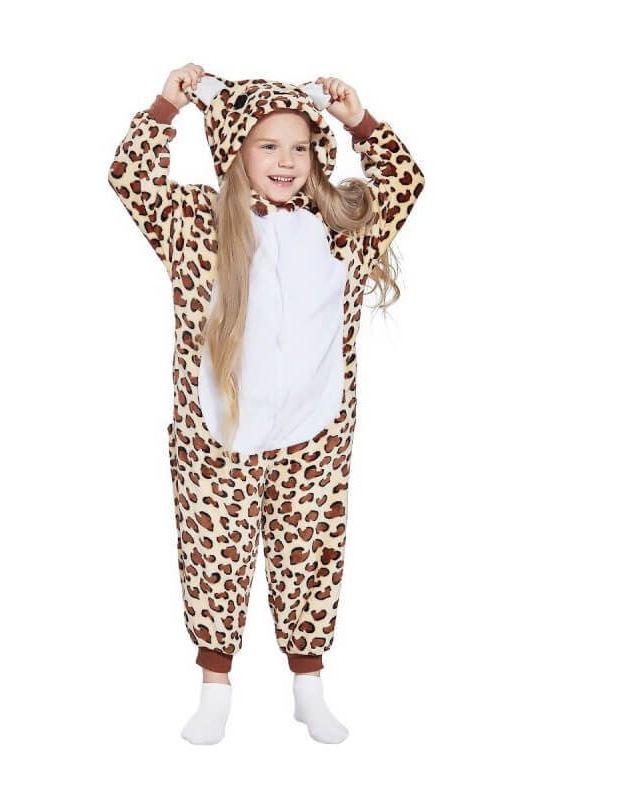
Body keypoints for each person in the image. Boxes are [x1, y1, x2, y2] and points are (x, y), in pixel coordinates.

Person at [108, 63, 425, 744]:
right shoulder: (195, 221)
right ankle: (214, 688)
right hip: (217, 432)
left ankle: (308, 687)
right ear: (235, 150)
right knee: (213, 555)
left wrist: (359, 121)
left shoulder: (340, 224)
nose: (286, 161)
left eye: (300, 147)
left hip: (315, 431)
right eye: (268, 146)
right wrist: (166, 106)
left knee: (310, 552)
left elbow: (405, 183)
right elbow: (131, 179)